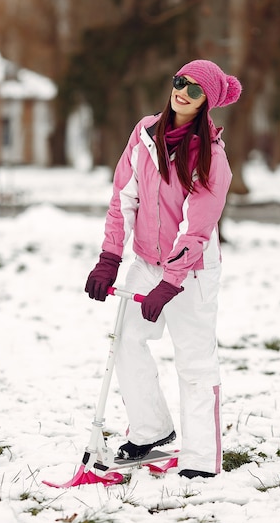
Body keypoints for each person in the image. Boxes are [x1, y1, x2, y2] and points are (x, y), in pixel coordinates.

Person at [85, 59, 242, 479]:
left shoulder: (212, 158)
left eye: (194, 89)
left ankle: (200, 460)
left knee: (194, 362)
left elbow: (197, 230)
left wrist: (171, 283)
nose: (182, 92)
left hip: (191, 273)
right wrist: (110, 257)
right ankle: (151, 429)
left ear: (208, 101)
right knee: (126, 342)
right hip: (146, 263)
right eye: (179, 82)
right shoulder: (145, 133)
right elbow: (124, 196)